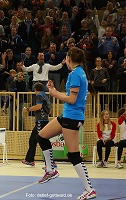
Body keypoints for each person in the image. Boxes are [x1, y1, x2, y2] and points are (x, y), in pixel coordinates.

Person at [36, 47, 96, 200]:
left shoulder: (76, 74)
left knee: (74, 155)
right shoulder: (78, 72)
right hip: (67, 115)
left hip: (73, 117)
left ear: (69, 58)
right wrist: (54, 89)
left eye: (66, 58)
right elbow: (71, 97)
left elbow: (72, 99)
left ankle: (89, 189)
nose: (65, 61)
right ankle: (51, 170)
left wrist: (55, 94)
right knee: (42, 136)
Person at [22, 82, 51, 166]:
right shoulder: (45, 95)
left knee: (42, 141)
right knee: (33, 140)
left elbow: (39, 107)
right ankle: (29, 159)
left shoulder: (39, 96)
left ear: (34, 89)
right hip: (43, 120)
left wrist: (28, 109)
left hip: (40, 121)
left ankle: (50, 162)